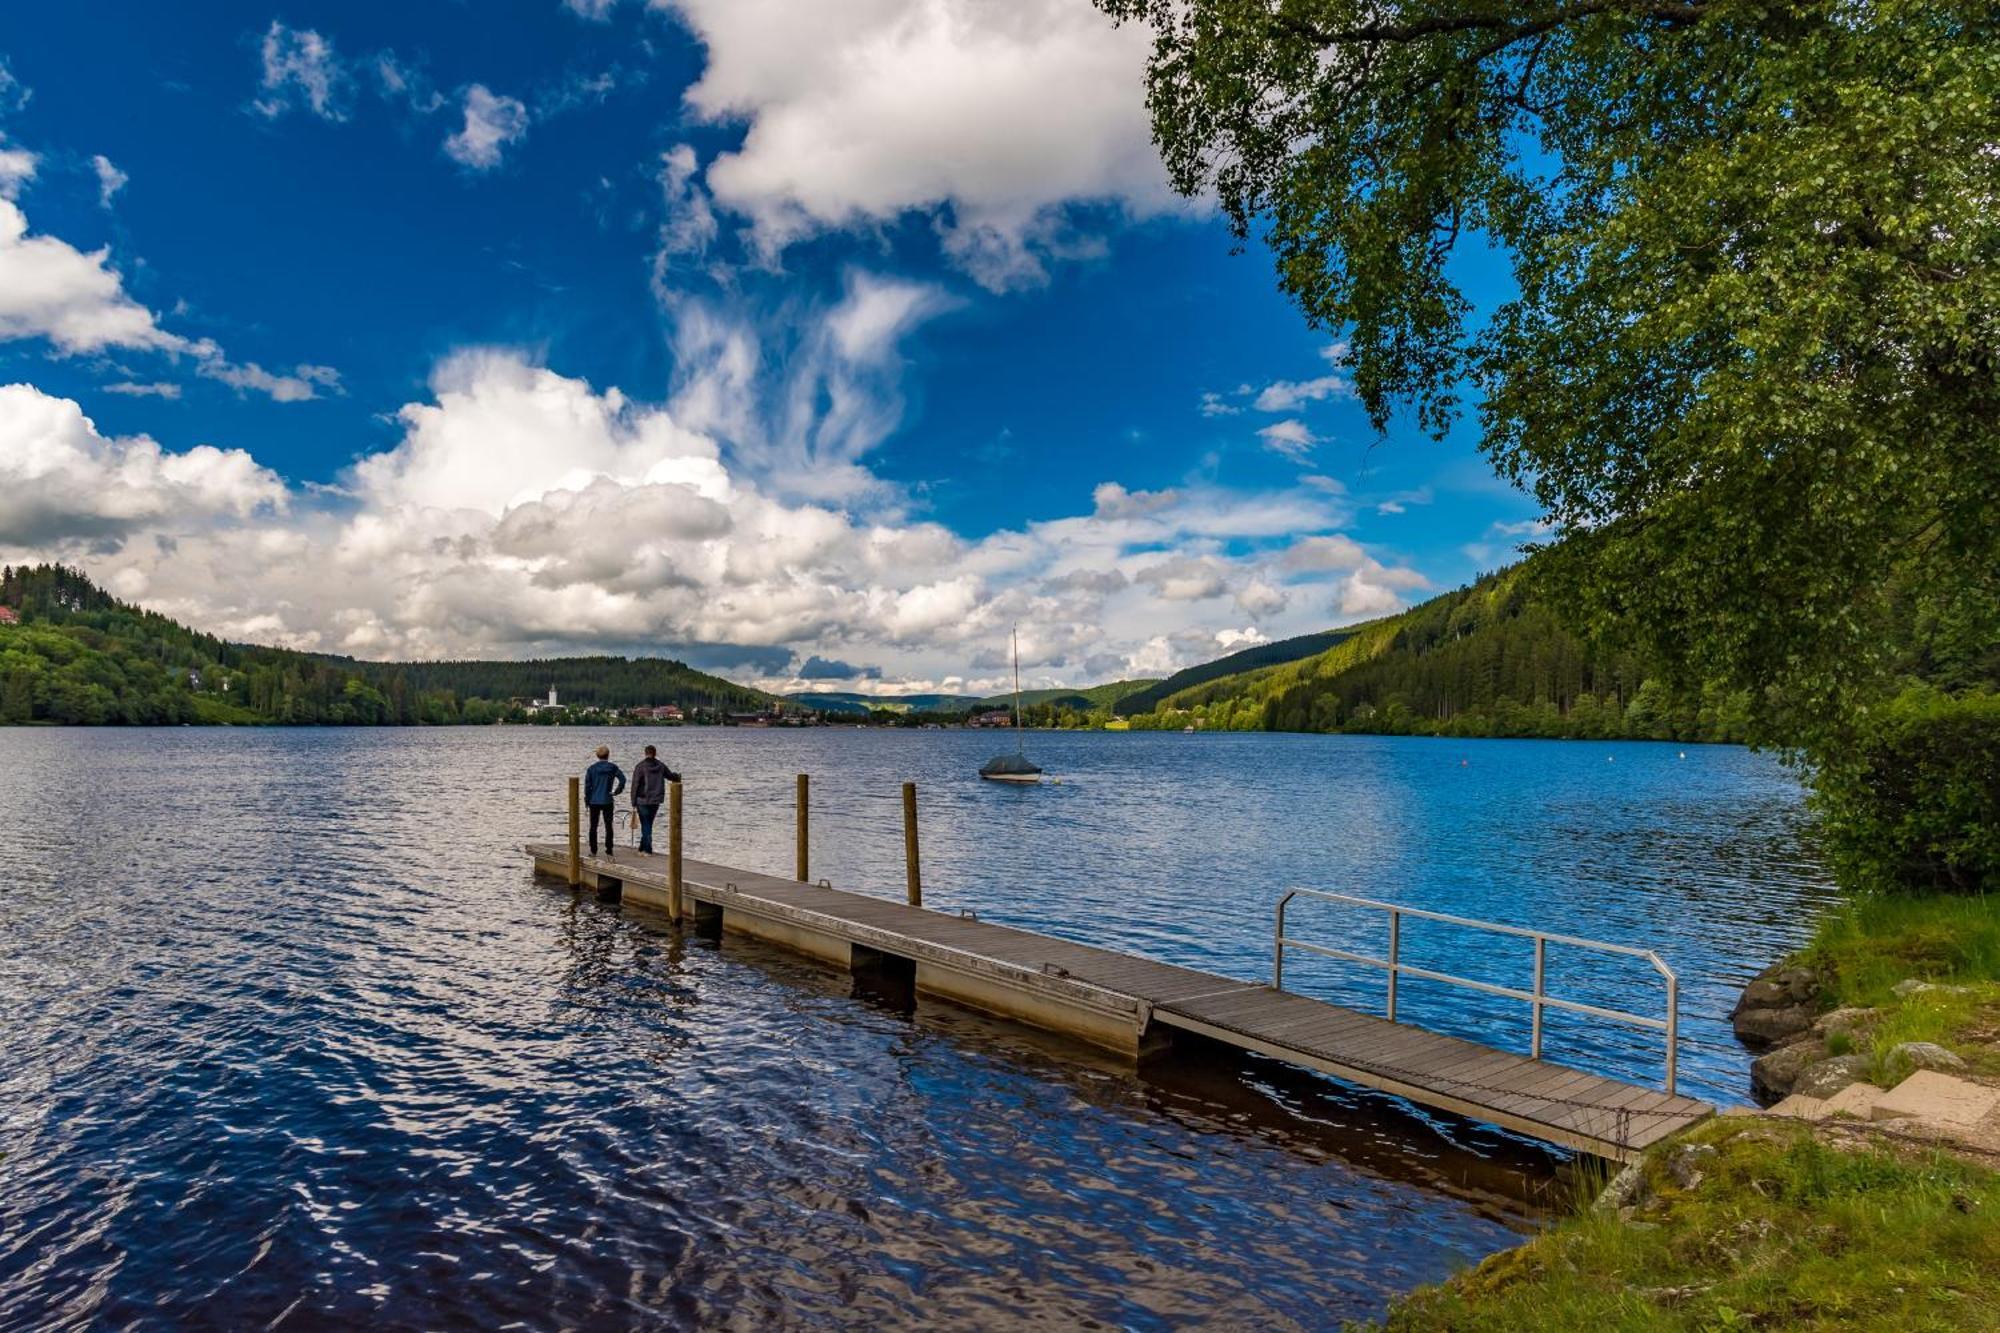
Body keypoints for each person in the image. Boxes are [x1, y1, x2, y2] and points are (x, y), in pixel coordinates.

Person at [629, 744, 681, 855]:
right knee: (648, 823)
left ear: (645, 753)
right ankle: (642, 847)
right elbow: (670, 776)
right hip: (655, 800)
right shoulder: (661, 766)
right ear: (655, 753)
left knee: (646, 824)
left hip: (642, 800)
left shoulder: (640, 766)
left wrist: (633, 801)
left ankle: (648, 849)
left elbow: (635, 785)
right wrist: (677, 777)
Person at [582, 745, 626, 856]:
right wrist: (616, 791)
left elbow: (587, 786)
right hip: (607, 800)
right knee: (608, 826)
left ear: (597, 756)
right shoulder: (612, 767)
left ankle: (593, 850)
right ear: (608, 755)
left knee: (593, 826)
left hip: (594, 801)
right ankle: (609, 850)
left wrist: (587, 800)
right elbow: (623, 779)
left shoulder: (592, 769)